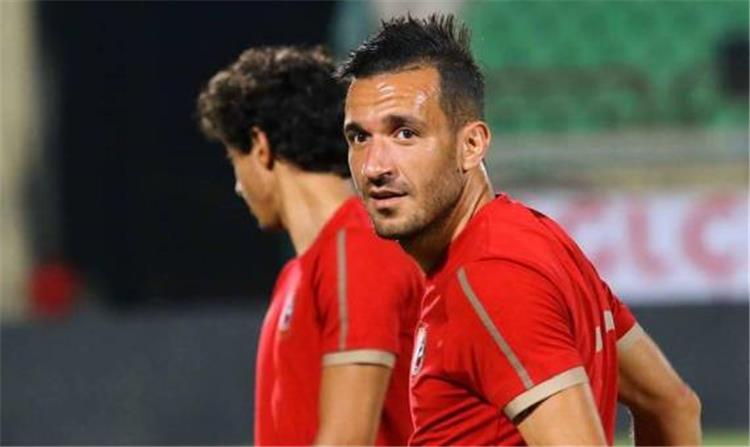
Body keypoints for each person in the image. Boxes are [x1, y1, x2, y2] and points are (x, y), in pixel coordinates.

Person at [339, 14, 702, 446]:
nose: (374, 166)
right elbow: (671, 405)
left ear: (471, 145)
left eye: (405, 133)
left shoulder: (491, 276)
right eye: (359, 138)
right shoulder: (533, 237)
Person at [197, 45, 422, 446]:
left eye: (234, 160)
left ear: (260, 146)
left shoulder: (358, 249)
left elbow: (348, 439)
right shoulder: (301, 272)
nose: (238, 186)